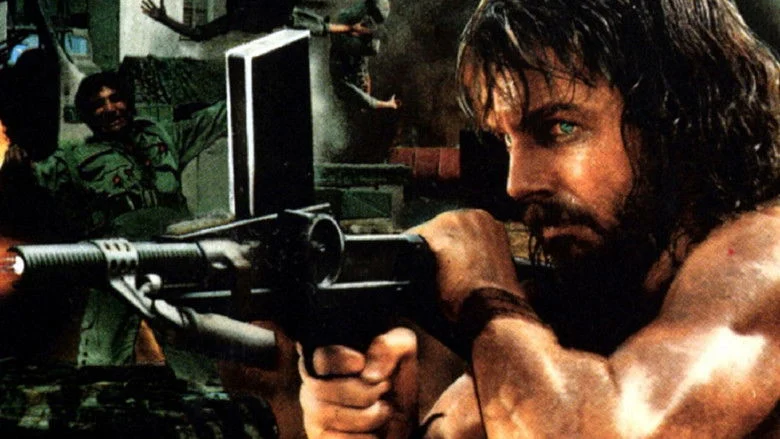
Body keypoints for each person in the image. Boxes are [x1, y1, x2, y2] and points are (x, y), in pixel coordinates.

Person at [298, 0, 780, 437]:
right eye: (507, 140)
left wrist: (484, 289)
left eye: (560, 128)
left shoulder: (765, 253)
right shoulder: (600, 292)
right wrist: (390, 428)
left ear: (676, 121)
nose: (518, 183)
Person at [2, 71, 228, 367]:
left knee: (193, 345)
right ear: (88, 115)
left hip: (172, 254)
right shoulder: (74, 158)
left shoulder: (163, 136)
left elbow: (219, 116)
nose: (109, 109)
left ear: (128, 103)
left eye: (115, 99)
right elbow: (32, 176)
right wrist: (16, 165)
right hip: (118, 258)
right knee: (102, 357)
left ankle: (201, 389)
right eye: (98, 105)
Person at [294, 0, 399, 111]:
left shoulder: (345, 86)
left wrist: (389, 104)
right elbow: (367, 87)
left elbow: (369, 102)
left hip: (343, 40)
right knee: (372, 41)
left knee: (372, 46)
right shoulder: (361, 67)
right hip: (346, 36)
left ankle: (296, 18)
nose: (365, 83)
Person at [141, 0, 296, 41]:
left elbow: (198, 34)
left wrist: (164, 20)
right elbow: (198, 34)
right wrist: (164, 19)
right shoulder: (237, 18)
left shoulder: (237, 18)